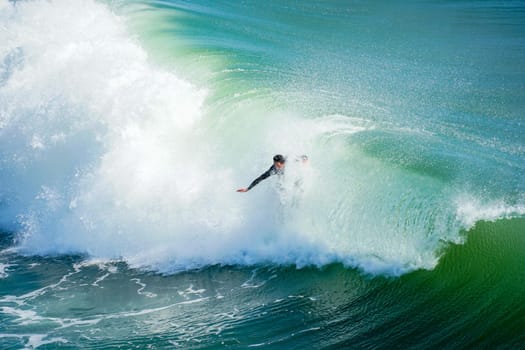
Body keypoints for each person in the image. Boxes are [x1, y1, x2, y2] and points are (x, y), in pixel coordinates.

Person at [236, 154, 308, 192]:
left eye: (277, 164)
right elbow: (261, 178)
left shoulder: (289, 161)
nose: (275, 166)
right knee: (282, 187)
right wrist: (248, 188)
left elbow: (304, 156)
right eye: (274, 164)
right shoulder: (273, 169)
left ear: (282, 163)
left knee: (297, 183)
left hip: (294, 173)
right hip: (283, 176)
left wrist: (305, 161)